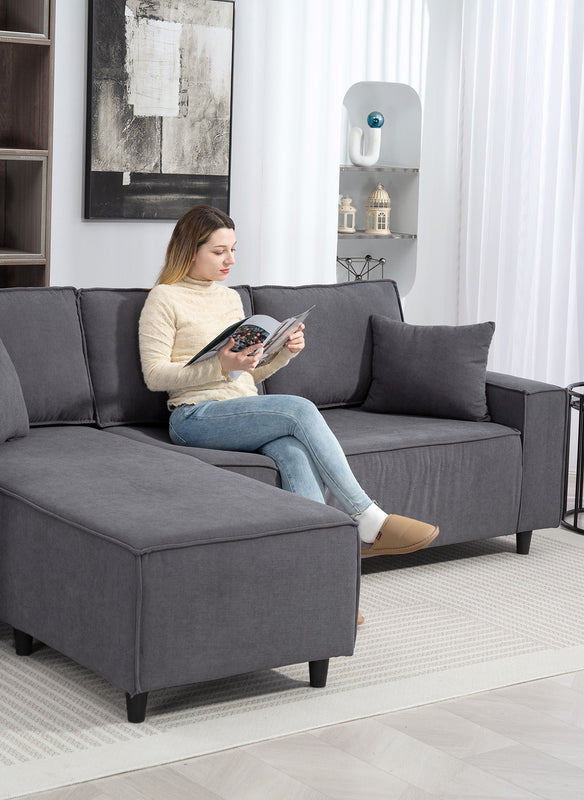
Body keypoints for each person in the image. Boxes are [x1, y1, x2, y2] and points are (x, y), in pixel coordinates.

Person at [138, 205, 439, 605]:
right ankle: (367, 517)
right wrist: (219, 365)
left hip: (238, 411)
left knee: (293, 451)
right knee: (299, 409)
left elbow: (245, 375)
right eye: (219, 251)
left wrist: (281, 354)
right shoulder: (164, 298)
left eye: (233, 249)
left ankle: (324, 591)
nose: (230, 260)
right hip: (194, 416)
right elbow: (155, 375)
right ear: (189, 251)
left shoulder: (229, 299)